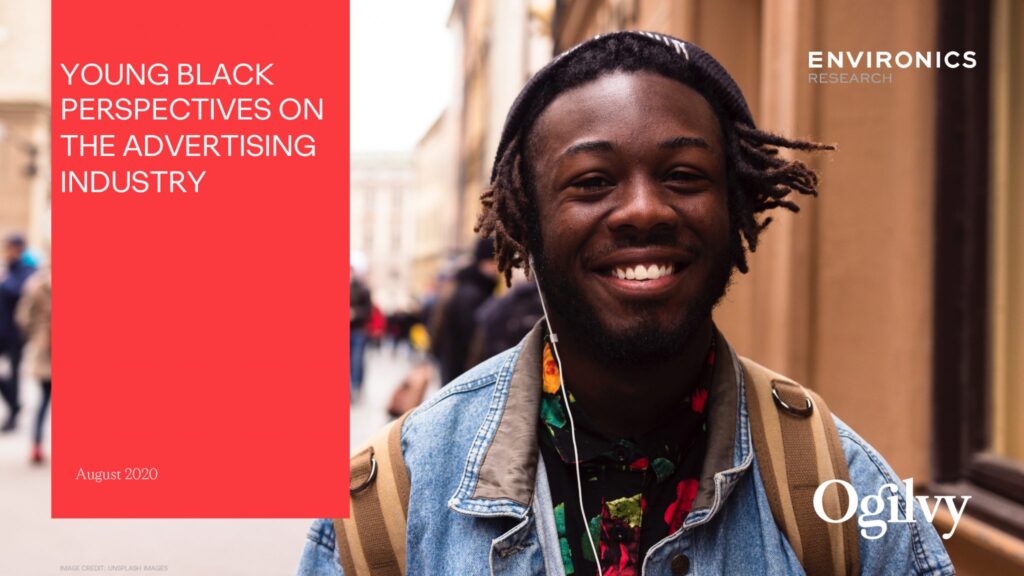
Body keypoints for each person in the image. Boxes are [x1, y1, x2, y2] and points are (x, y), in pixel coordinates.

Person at [299, 32, 953, 575]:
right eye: (592, 182)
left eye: (683, 176)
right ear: (526, 222)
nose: (643, 209)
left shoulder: (845, 496)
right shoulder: (391, 506)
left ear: (736, 207)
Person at [428, 238, 499, 385]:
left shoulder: (461, 285)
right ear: (483, 262)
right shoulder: (474, 294)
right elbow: (471, 339)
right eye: (494, 262)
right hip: (462, 370)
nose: (498, 268)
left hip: (450, 366)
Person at [0, 233, 37, 432]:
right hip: (2, 330)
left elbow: (20, 293)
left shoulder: (27, 270)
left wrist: (5, 282)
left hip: (16, 333)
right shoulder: (9, 269)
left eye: (9, 247)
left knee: (14, 374)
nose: (7, 252)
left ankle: (13, 414)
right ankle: (14, 405)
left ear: (18, 249)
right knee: (7, 376)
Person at [16, 264, 50, 463]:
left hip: (44, 346)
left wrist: (35, 334)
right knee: (45, 397)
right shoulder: (38, 284)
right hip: (45, 347)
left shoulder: (36, 283)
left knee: (44, 398)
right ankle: (36, 444)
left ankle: (36, 444)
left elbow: (23, 316)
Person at [349, 270, 372, 402]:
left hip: (358, 330)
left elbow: (368, 311)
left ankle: (356, 386)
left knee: (357, 360)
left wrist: (355, 313)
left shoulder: (363, 289)